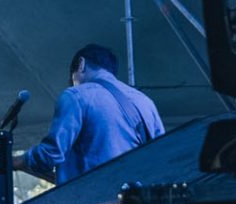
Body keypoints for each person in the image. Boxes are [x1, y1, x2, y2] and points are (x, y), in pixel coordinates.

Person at [19, 44, 165, 185]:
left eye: (73, 80)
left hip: (92, 203)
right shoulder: (145, 102)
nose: (74, 85)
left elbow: (50, 155)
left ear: (81, 64)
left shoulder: (76, 95)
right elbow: (162, 158)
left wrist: (15, 162)